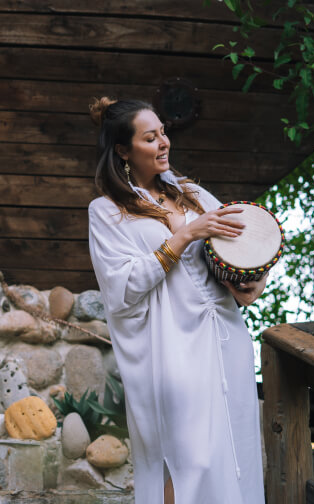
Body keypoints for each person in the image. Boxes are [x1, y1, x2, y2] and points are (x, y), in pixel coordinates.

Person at [86, 97, 267, 504]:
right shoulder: (108, 212)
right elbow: (121, 289)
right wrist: (185, 234)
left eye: (163, 132)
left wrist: (253, 280)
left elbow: (242, 248)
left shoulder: (195, 194)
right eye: (150, 138)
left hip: (226, 338)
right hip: (172, 350)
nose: (164, 142)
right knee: (188, 459)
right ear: (123, 151)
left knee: (235, 451)